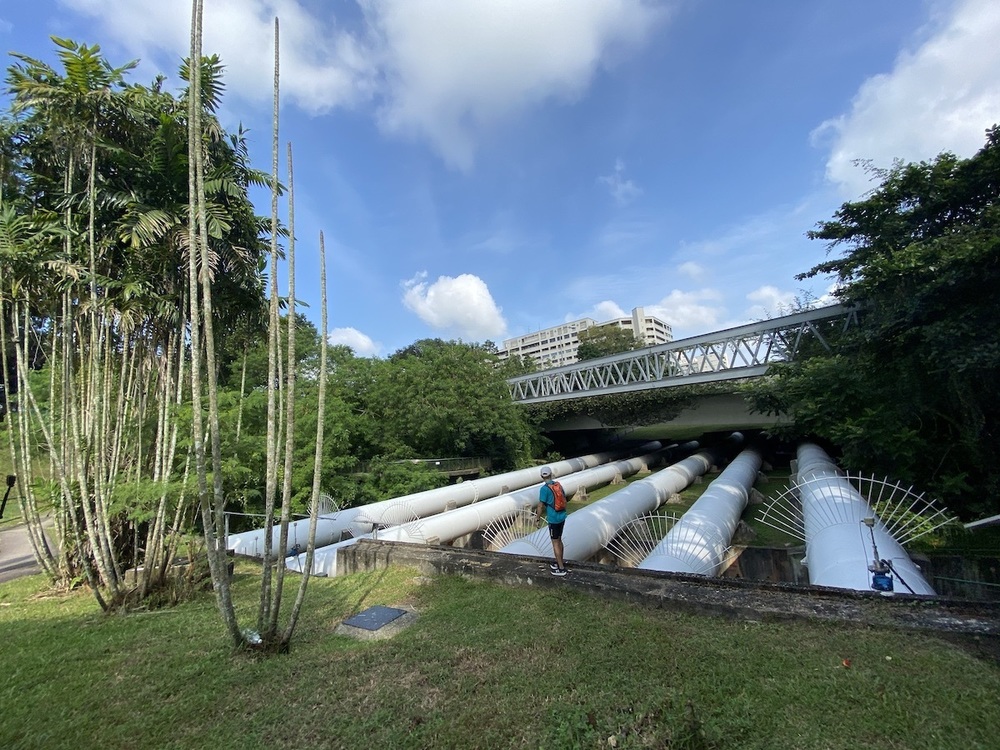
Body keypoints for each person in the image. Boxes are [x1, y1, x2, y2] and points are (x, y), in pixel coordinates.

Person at [535, 466, 568, 576]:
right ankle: (560, 562)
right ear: (551, 474)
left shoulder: (544, 489)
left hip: (553, 519)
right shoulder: (557, 485)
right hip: (562, 517)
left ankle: (561, 568)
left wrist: (537, 518)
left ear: (541, 476)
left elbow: (540, 506)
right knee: (559, 539)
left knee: (555, 542)